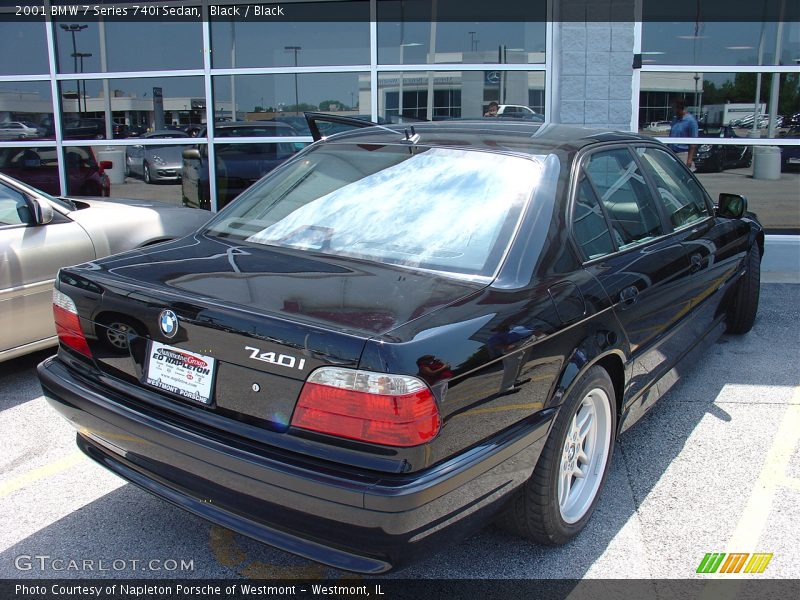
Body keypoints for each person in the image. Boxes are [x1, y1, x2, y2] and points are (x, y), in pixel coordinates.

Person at [669, 98, 699, 171]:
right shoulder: (674, 119)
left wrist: (689, 159)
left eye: (675, 108)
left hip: (683, 154)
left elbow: (693, 142)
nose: (673, 110)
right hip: (672, 152)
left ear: (680, 108)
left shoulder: (691, 121)